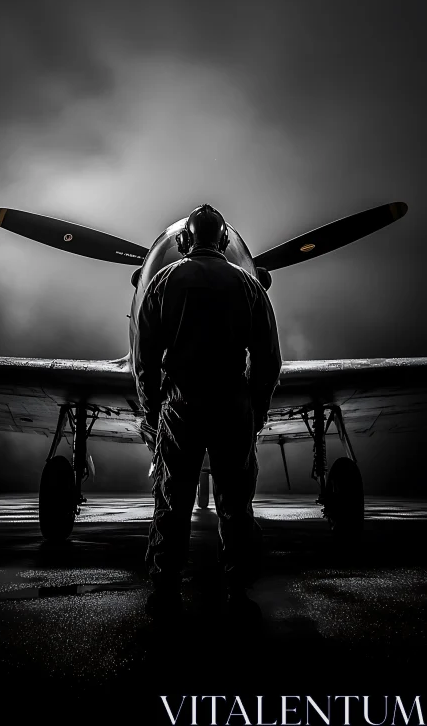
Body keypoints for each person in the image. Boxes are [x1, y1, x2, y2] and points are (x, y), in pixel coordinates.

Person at [132, 204, 281, 617]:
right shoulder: (249, 286)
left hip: (181, 408)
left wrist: (152, 411)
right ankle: (238, 590)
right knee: (236, 504)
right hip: (232, 408)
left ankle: (165, 589)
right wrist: (256, 410)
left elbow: (144, 359)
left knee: (172, 500)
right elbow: (269, 360)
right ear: (223, 240)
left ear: (185, 240)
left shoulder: (162, 282)